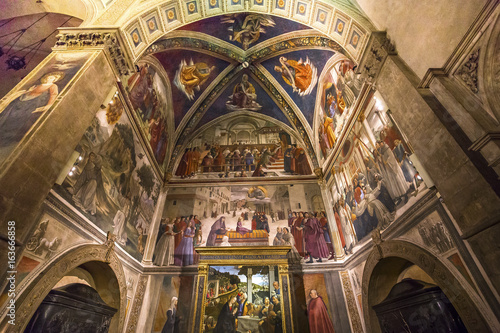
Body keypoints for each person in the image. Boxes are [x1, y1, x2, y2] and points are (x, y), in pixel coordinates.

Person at [0, 71, 64, 149]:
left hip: (31, 105)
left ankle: (4, 139)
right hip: (22, 102)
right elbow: (28, 93)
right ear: (46, 77)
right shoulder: (38, 85)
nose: (51, 79)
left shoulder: (53, 86)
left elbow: (53, 96)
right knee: (8, 117)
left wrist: (48, 105)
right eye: (50, 77)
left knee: (16, 121)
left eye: (54, 78)